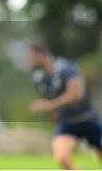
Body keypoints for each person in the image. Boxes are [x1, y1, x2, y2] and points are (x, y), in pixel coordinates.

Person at [28, 41, 102, 170]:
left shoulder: (65, 68)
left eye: (30, 55)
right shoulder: (39, 76)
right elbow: (53, 97)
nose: (28, 59)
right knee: (62, 157)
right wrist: (54, 111)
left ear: (40, 55)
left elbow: (77, 94)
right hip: (67, 122)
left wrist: (50, 105)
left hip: (87, 119)